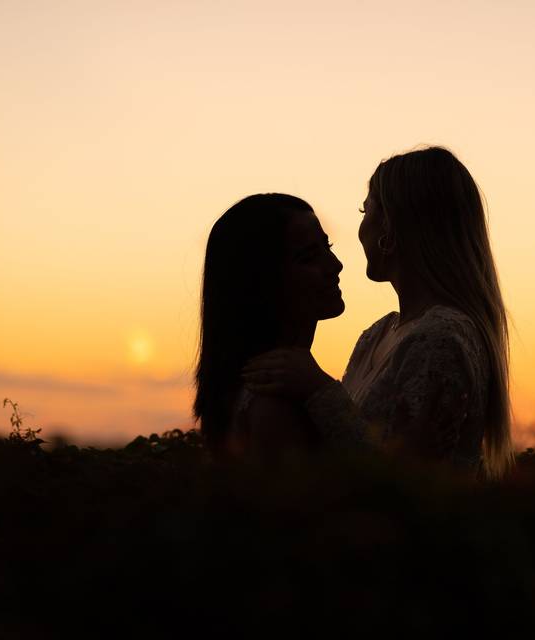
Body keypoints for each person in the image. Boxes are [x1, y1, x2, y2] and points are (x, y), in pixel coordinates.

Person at [243, 147, 513, 479]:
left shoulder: (440, 338)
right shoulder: (378, 335)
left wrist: (318, 390)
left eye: (364, 209)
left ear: (390, 227)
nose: (359, 227)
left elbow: (409, 482)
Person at [193, 193, 344, 454]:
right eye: (307, 258)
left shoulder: (273, 390)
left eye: (327, 247)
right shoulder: (275, 404)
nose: (335, 265)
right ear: (262, 282)